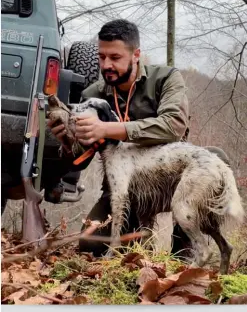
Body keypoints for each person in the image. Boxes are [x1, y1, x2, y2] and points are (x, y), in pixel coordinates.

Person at [48, 19, 229, 256]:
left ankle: (184, 249)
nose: (106, 65)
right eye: (101, 57)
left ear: (136, 55)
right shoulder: (92, 94)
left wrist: (108, 128)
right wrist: (67, 140)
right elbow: (82, 154)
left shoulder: (166, 79)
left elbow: (172, 126)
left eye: (115, 57)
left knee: (216, 158)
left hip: (173, 179)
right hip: (125, 188)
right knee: (91, 244)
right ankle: (141, 246)